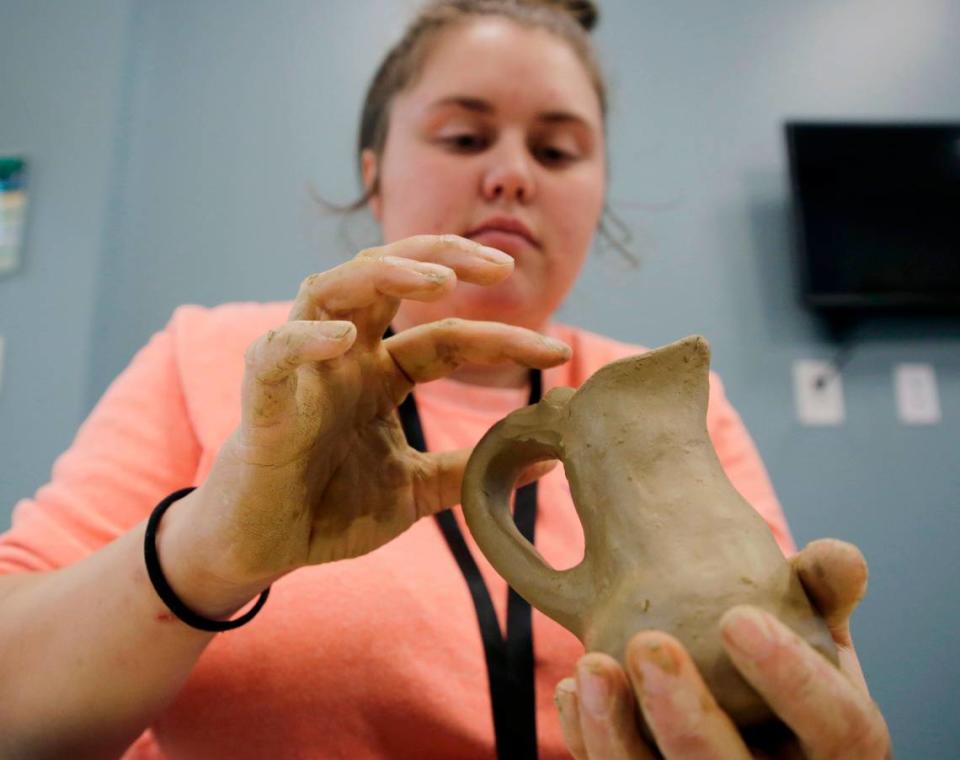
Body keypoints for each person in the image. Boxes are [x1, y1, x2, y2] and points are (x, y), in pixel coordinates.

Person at [0, 1, 891, 758]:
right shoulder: (224, 360)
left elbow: (781, 666)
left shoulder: (664, 392)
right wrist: (205, 552)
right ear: (373, 171)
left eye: (557, 151)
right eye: (465, 136)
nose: (510, 175)